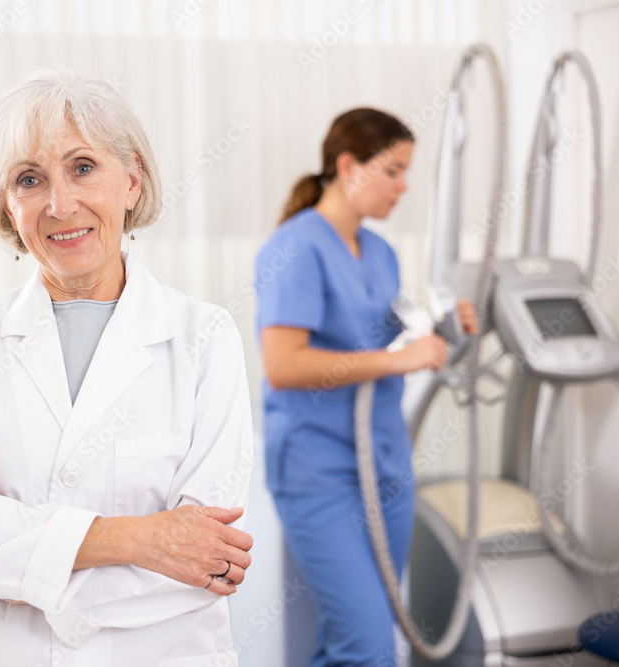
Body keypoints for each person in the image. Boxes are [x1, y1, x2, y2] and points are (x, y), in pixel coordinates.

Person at [0, 69, 254, 667]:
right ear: (8, 210)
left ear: (132, 182)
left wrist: (3, 546)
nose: (61, 205)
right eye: (29, 180)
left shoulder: (206, 339)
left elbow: (204, 559)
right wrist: (144, 538)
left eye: (83, 168)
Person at [255, 108, 477, 666]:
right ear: (348, 165)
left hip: (386, 466)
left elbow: (396, 333)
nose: (404, 187)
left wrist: (450, 324)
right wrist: (395, 362)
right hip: (319, 472)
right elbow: (284, 365)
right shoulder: (295, 248)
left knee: (360, 636)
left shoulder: (380, 253)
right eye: (394, 171)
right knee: (369, 642)